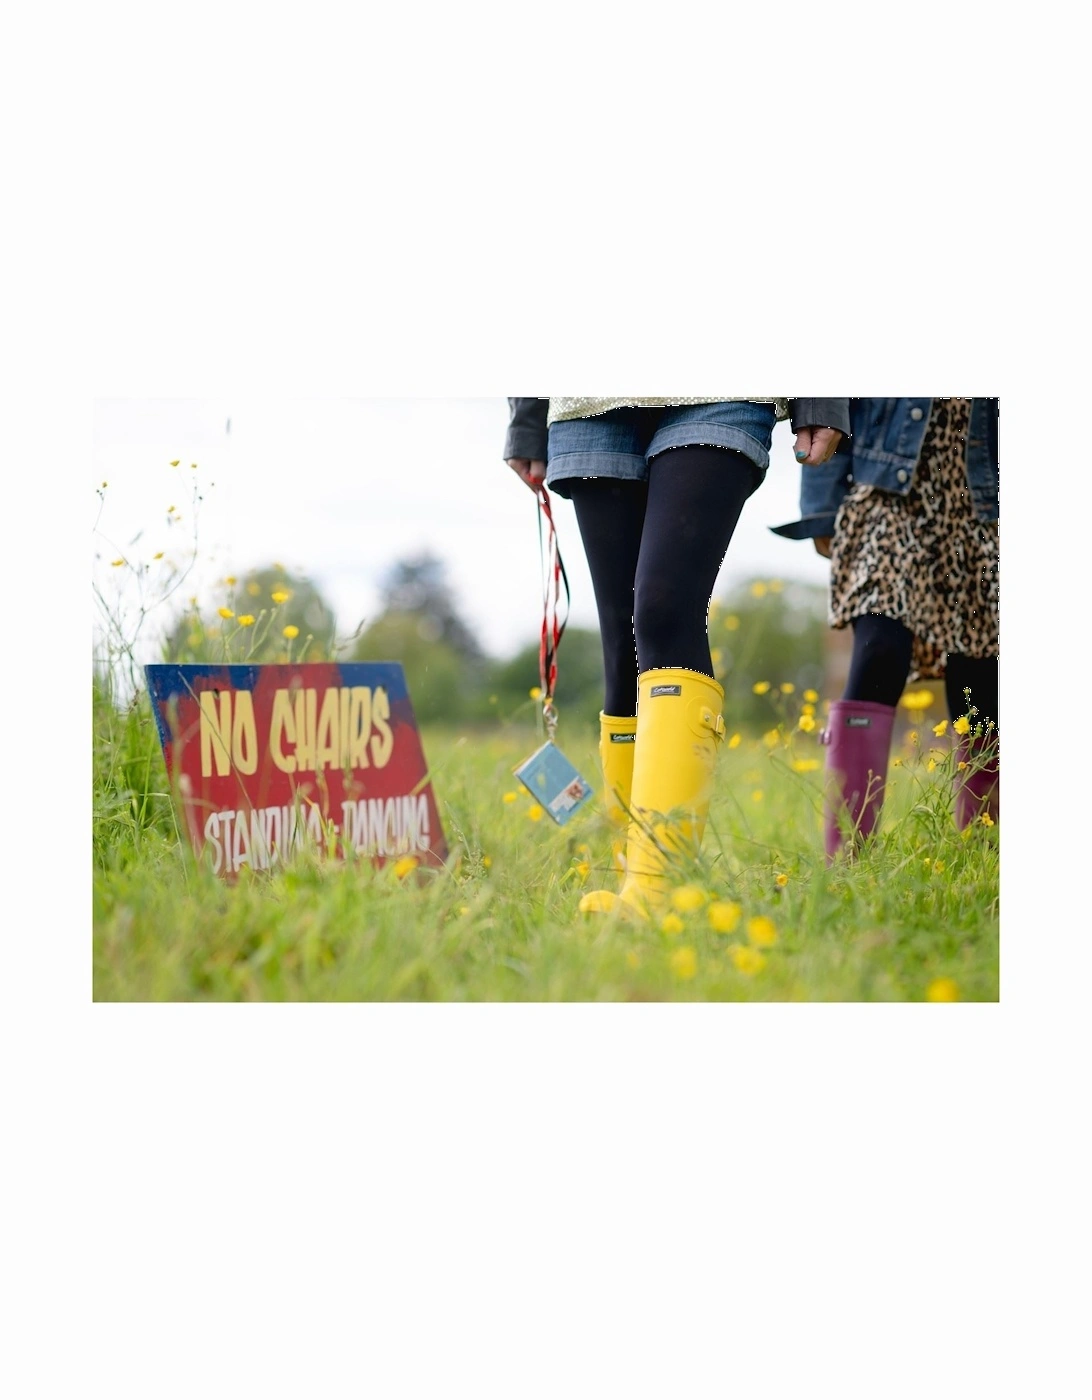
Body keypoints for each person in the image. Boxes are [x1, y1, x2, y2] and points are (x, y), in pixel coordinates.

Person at [505, 397, 850, 915]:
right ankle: (631, 870)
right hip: (589, 401)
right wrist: (528, 418)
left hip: (717, 392)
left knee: (664, 608)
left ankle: (656, 892)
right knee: (622, 641)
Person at [771, 397, 999, 861]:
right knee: (880, 648)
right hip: (884, 495)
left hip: (983, 506)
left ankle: (982, 853)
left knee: (980, 674)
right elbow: (829, 395)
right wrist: (821, 506)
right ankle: (847, 860)